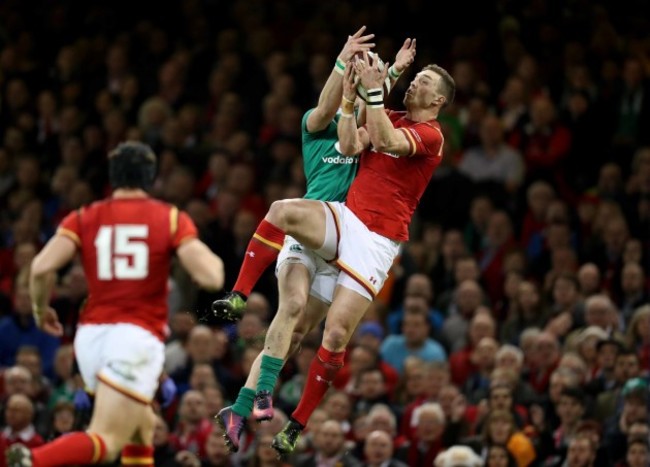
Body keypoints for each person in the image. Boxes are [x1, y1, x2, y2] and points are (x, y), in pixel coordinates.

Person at [214, 28, 417, 454]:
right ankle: (240, 305)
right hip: (311, 232)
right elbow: (329, 106)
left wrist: (392, 72)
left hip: (343, 244)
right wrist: (343, 62)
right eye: (352, 94)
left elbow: (369, 109)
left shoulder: (362, 138)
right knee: (288, 306)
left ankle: (240, 406)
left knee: (301, 333)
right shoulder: (314, 127)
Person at [265, 53, 454, 456]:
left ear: (438, 101)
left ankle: (297, 423)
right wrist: (350, 101)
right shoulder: (388, 112)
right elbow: (350, 144)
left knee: (333, 335)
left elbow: (385, 141)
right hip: (348, 218)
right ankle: (257, 374)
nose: (416, 84)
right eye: (416, 77)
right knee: (284, 212)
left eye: (424, 82)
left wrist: (373, 89)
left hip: (379, 241)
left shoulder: (432, 135)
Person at [6, 141, 225, 467]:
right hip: (134, 339)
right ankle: (31, 460)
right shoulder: (169, 218)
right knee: (107, 440)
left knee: (142, 427)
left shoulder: (82, 217)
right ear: (150, 179)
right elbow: (211, 276)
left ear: (113, 177)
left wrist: (40, 309)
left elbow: (40, 268)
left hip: (90, 339)